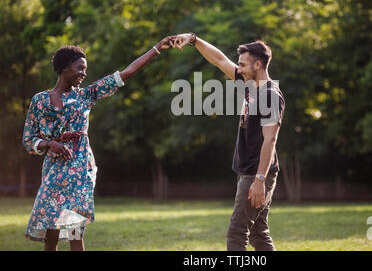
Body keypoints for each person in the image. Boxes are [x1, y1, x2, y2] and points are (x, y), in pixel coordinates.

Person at [22, 37, 175, 251]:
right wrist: (49, 144)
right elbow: (28, 140)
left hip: (80, 168)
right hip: (54, 170)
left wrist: (157, 48)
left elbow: (126, 73)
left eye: (85, 69)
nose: (84, 74)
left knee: (75, 230)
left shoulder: (86, 96)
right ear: (65, 68)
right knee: (51, 232)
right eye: (80, 68)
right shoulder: (39, 101)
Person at [173, 33, 285, 251]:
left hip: (257, 172)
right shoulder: (250, 85)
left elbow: (270, 139)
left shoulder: (270, 94)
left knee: (237, 232)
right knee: (258, 233)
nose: (239, 69)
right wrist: (194, 40)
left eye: (243, 65)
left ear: (258, 64)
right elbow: (219, 60)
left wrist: (260, 179)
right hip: (250, 171)